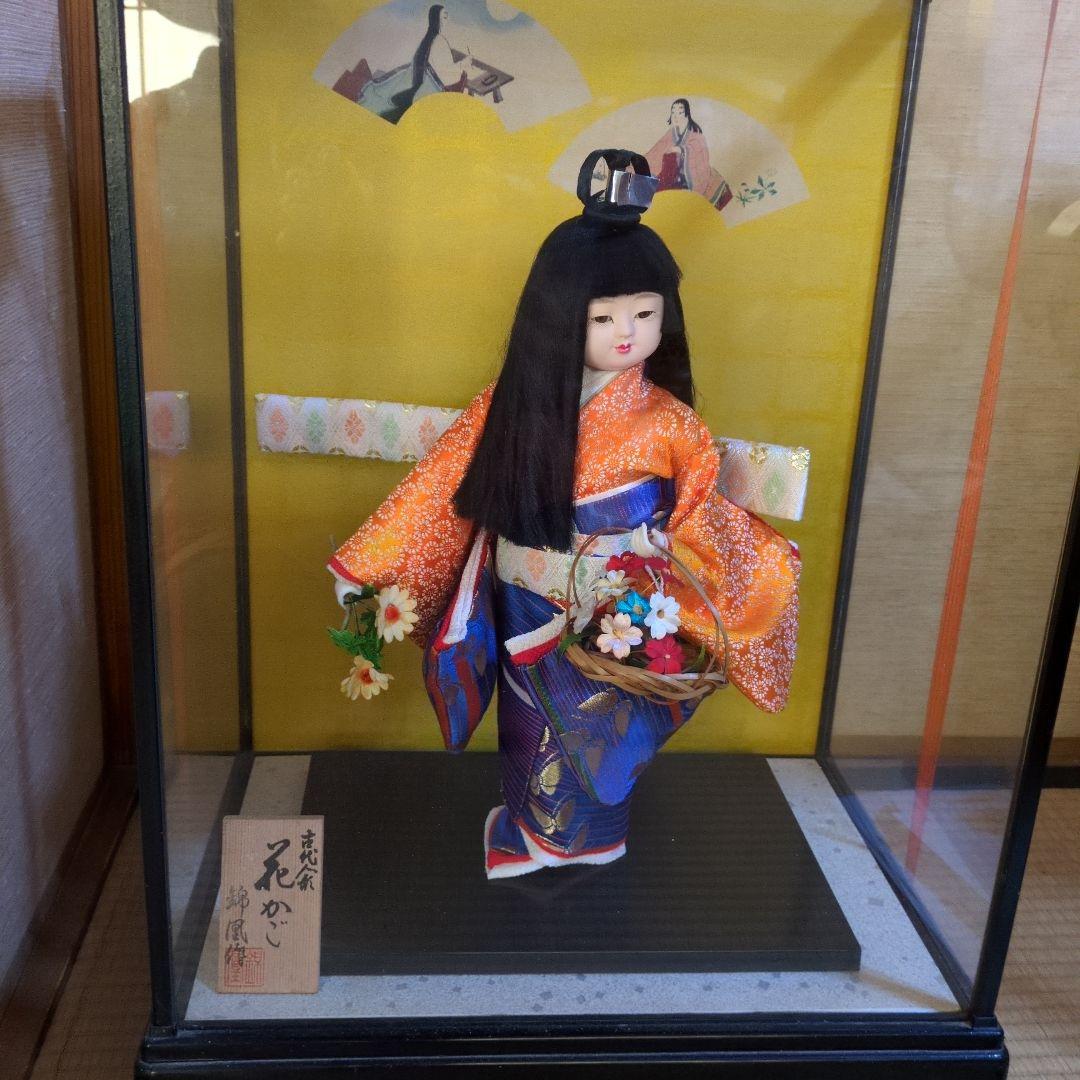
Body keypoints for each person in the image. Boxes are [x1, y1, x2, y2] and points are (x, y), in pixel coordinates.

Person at [328, 150, 798, 878]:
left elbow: (702, 517)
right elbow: (440, 484)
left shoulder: (672, 424)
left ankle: (584, 841)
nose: (626, 332)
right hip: (523, 598)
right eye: (603, 316)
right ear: (557, 319)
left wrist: (752, 577)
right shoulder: (513, 403)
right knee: (526, 726)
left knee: (597, 729)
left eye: (645, 313)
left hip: (617, 610)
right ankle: (529, 833)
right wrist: (370, 568)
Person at [358, 4, 472, 124]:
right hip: (431, 88)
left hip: (420, 84)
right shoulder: (440, 41)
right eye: (445, 17)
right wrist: (463, 65)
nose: (448, 20)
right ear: (437, 19)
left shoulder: (429, 38)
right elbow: (444, 75)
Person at [646, 98, 733, 210]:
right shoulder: (670, 134)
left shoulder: (696, 135)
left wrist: (682, 150)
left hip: (692, 174)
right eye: (673, 113)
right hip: (672, 174)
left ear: (687, 114)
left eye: (680, 112)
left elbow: (699, 150)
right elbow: (656, 152)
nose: (676, 116)